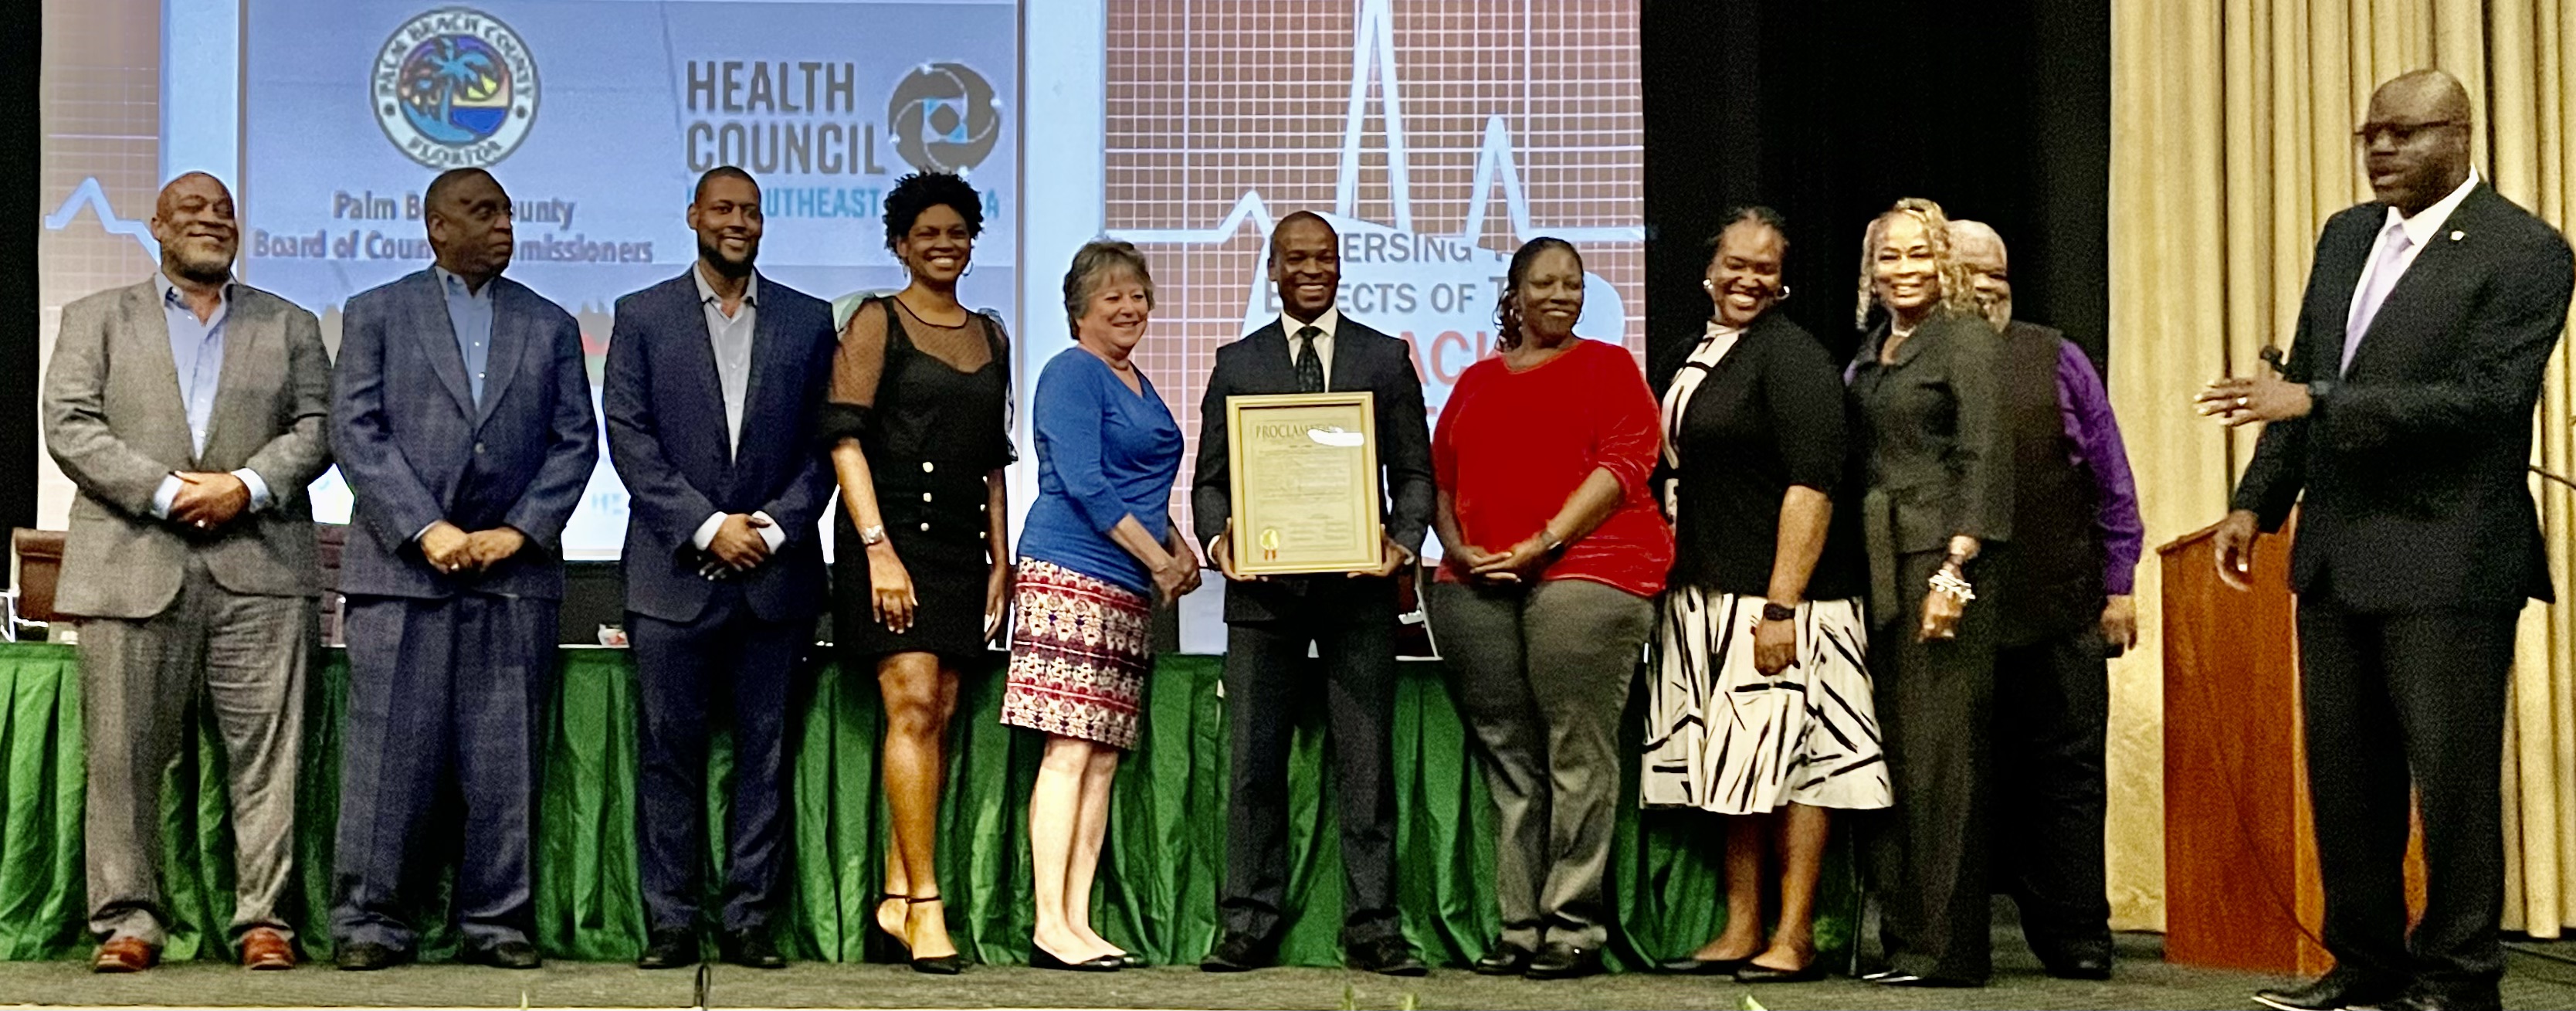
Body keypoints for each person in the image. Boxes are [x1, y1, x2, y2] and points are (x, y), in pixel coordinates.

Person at [2196, 70, 2574, 1011]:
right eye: (2371, 134)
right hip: (2338, 554)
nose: (2382, 151)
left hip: (2450, 557)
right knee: (2347, 781)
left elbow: (2484, 403)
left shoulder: (2525, 251)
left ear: (2460, 134)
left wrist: (2318, 400)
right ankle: (2365, 965)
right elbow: (2303, 373)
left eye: (2404, 133)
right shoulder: (2346, 235)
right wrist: (2256, 503)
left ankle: (2459, 976)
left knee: (2452, 786)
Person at [40, 172, 332, 973]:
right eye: (193, 210)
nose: (212, 220)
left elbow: (317, 426)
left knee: (268, 758)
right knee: (123, 759)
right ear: (157, 227)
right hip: (131, 562)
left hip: (261, 565)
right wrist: (169, 492)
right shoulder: (95, 317)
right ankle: (128, 920)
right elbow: (69, 424)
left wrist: (247, 485)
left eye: (224, 211)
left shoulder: (291, 323)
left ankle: (265, 920)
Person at [327, 167, 600, 971]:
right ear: (438, 227)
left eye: (507, 212)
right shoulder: (376, 312)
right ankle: (370, 921)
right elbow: (355, 430)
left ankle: (496, 921)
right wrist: (425, 527)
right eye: (482, 212)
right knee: (387, 761)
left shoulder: (549, 324)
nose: (503, 225)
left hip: (512, 576)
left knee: (505, 762)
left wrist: (519, 530)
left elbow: (575, 442)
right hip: (402, 573)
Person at [1643, 208, 1888, 984]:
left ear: (1783, 281)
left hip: (1783, 602)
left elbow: (1813, 484)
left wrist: (1782, 605)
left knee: (1799, 767)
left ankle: (1795, 933)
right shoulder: (1691, 353)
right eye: (1736, 264)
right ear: (1708, 271)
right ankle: (1742, 923)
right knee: (1735, 767)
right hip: (1709, 592)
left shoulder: (1793, 359)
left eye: (1765, 268)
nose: (1748, 279)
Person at [603, 166, 837, 972]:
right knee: (668, 759)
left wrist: (768, 529)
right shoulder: (641, 315)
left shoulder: (809, 321)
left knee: (764, 760)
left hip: (776, 581)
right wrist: (706, 527)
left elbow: (826, 445)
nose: (738, 222)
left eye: (751, 212)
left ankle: (748, 921)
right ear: (693, 216)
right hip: (671, 579)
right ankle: (671, 922)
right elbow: (629, 437)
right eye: (723, 209)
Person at [1191, 211, 1432, 977]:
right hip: (1264, 596)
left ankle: (1374, 927)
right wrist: (1221, 542)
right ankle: (1246, 924)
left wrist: (1402, 541)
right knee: (1254, 767)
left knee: (1366, 767)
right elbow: (1209, 483)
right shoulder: (1238, 363)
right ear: (1272, 268)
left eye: (1324, 257)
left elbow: (1415, 473)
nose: (1311, 270)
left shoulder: (1384, 357)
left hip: (1359, 594)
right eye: (1295, 258)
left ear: (1340, 264)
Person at [1428, 237, 1673, 982]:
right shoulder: (1475, 380)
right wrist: (1459, 548)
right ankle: (1519, 924)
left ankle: (1573, 923)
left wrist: (1544, 541)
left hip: (1590, 570)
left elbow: (1625, 464)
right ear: (1515, 294)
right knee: (1510, 758)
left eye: (1573, 282)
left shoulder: (1609, 366)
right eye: (1545, 282)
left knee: (1576, 749)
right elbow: (1442, 482)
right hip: (1478, 581)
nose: (1561, 294)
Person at [821, 170, 1015, 975]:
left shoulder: (992, 334)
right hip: (889, 535)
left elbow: (995, 462)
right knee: (909, 700)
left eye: (957, 231)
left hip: (962, 548)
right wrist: (878, 550)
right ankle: (929, 905)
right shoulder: (876, 320)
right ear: (900, 244)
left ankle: (896, 900)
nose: (944, 244)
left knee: (941, 707)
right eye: (927, 232)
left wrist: (1001, 561)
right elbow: (844, 440)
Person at [1948, 219, 2141, 982]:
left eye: (1996, 273)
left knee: (2068, 778)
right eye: (1968, 272)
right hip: (1955, 615)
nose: (1985, 287)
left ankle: (2076, 933)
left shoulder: (2059, 358)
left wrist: (2120, 585)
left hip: (2060, 605)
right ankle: (1952, 938)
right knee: (1960, 779)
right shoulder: (1905, 359)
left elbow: (2112, 479)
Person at [1005, 239, 1197, 972]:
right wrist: (1160, 560)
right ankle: (1049, 922)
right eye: (1112, 296)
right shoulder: (1071, 372)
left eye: (1138, 295)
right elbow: (1086, 483)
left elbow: (1139, 489)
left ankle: (1078, 920)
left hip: (1124, 583)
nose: (1129, 308)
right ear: (1079, 309)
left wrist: (1177, 547)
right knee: (1070, 747)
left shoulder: (1137, 381)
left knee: (1104, 754)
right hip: (1070, 571)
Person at [1845, 197, 2010, 988]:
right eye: (1889, 255)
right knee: (1899, 756)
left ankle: (1949, 949)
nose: (1902, 269)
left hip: (1941, 565)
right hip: (1881, 562)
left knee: (1944, 761)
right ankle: (1906, 941)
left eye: (1918, 254)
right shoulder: (1877, 345)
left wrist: (1956, 568)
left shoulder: (1966, 339)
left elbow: (1984, 455)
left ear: (1943, 261)